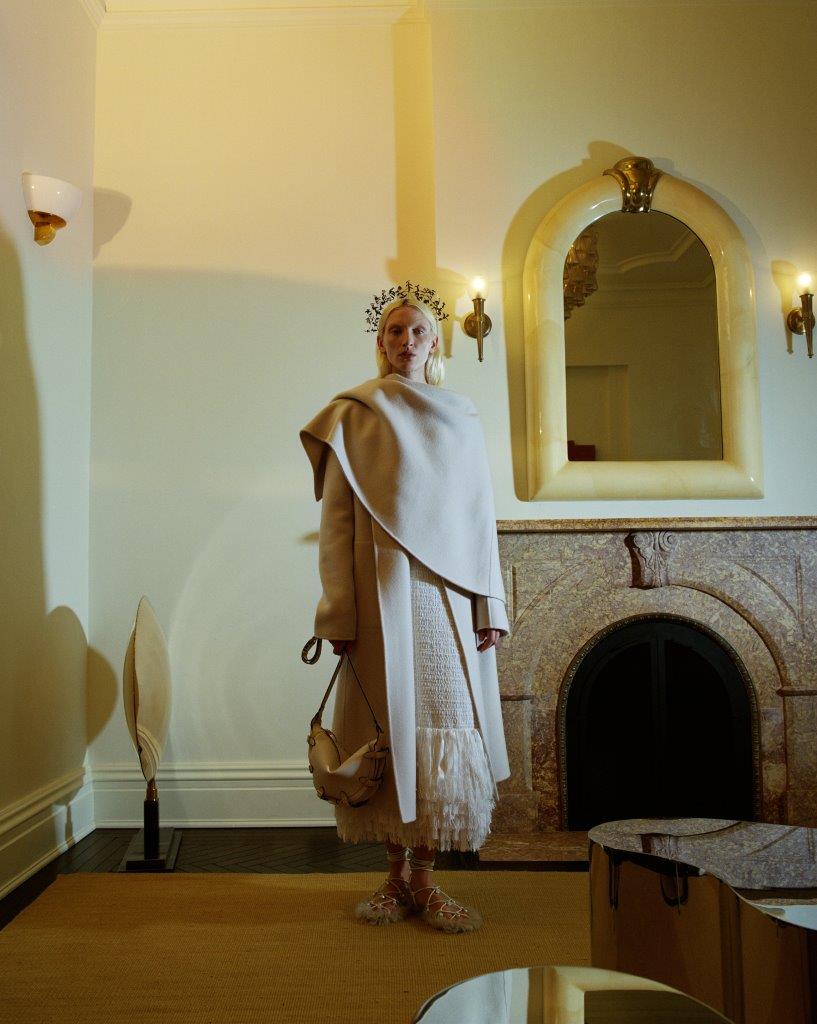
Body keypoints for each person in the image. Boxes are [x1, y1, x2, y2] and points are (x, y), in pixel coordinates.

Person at [299, 282, 510, 934]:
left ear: (435, 342)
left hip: (448, 599)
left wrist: (490, 606)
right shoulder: (352, 415)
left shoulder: (462, 416)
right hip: (379, 594)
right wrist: (337, 614)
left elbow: (478, 520)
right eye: (395, 331)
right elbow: (336, 525)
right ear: (381, 341)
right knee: (388, 732)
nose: (406, 340)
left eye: (417, 331)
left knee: (444, 729)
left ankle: (426, 880)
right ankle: (394, 878)